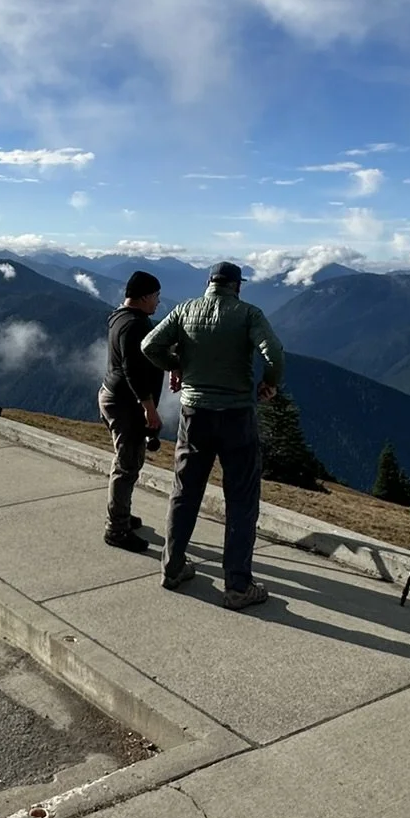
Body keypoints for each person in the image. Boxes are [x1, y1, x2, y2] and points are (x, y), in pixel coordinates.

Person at [141, 260, 284, 610]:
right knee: (241, 499)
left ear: (208, 283)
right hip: (237, 415)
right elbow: (275, 353)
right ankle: (237, 586)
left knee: (185, 491)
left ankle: (172, 568)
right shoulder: (248, 314)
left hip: (195, 414)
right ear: (237, 285)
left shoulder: (185, 309)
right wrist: (269, 384)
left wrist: (177, 364)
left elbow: (149, 346)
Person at [97, 270, 166, 552]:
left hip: (112, 395)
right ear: (145, 296)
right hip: (126, 403)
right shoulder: (135, 326)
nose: (158, 303)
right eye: (157, 297)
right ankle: (116, 529)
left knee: (128, 462)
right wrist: (149, 409)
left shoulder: (118, 316)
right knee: (126, 466)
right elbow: (134, 371)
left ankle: (122, 514)